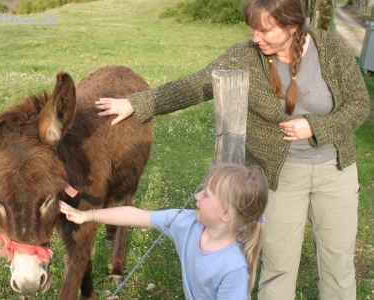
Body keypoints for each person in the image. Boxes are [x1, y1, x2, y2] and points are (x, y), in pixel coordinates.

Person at [93, 0, 370, 298]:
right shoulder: (246, 56)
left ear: (292, 27)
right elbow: (196, 85)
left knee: (338, 267)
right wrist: (136, 103)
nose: (255, 38)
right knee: (278, 268)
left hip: (335, 171)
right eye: (252, 29)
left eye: (264, 30)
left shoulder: (329, 49)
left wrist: (317, 127)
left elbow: (359, 105)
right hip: (279, 178)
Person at [60, 163, 269, 300]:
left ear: (226, 214)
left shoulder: (233, 269)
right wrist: (87, 216)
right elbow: (135, 215)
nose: (197, 196)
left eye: (206, 194)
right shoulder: (185, 223)